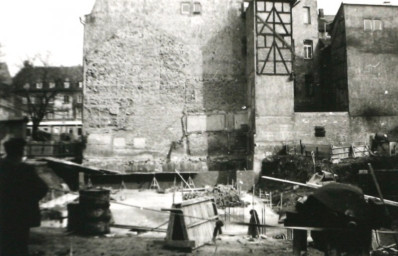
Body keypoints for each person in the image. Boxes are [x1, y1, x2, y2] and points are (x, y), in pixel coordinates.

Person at [0, 138, 48, 256]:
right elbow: (42, 188)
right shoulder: (26, 169)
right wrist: (30, 200)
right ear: (21, 151)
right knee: (20, 244)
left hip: (3, 211)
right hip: (21, 213)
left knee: (4, 243)